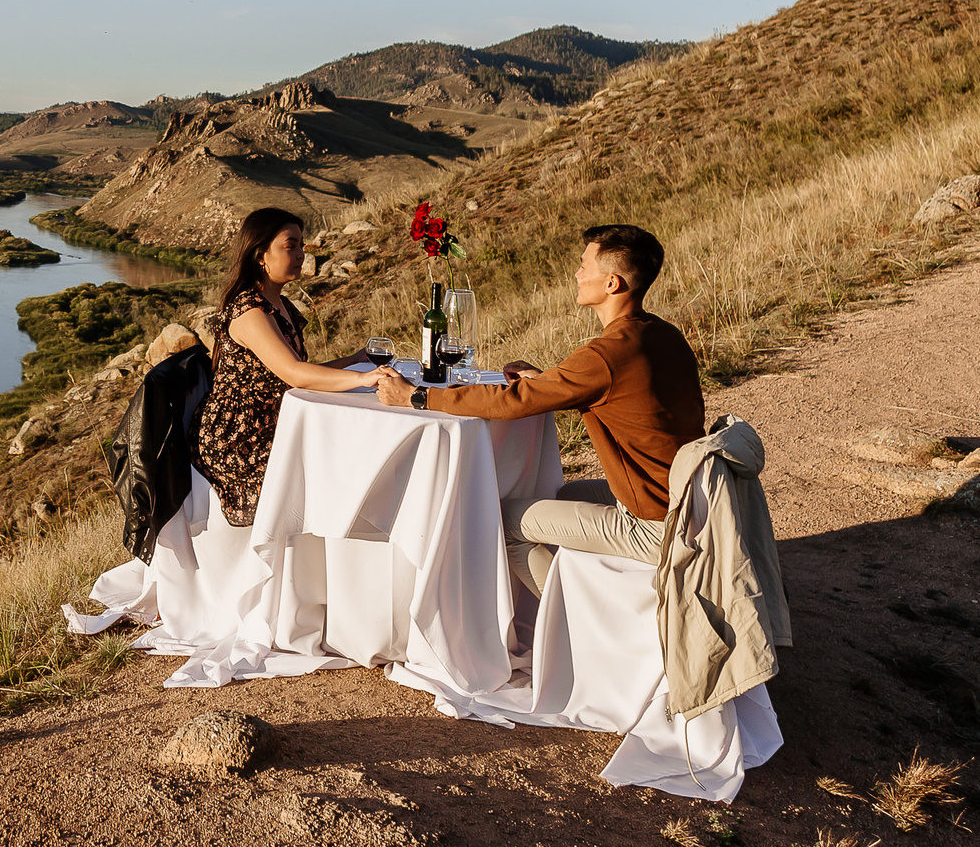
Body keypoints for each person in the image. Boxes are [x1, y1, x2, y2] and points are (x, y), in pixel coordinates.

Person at [369, 223, 704, 597]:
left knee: (502, 519)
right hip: (686, 500)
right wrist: (543, 382)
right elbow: (624, 397)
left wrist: (416, 397)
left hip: (655, 523)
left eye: (584, 265)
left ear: (612, 283)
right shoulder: (661, 334)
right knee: (557, 494)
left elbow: (509, 403)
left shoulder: (606, 354)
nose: (577, 274)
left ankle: (569, 623)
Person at [193, 206, 368, 527]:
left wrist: (355, 360)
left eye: (302, 245)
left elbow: (294, 370)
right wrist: (364, 378)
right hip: (239, 440)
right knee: (336, 467)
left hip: (269, 426)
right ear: (261, 255)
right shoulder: (250, 310)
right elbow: (294, 375)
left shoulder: (281, 304)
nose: (302, 254)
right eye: (291, 246)